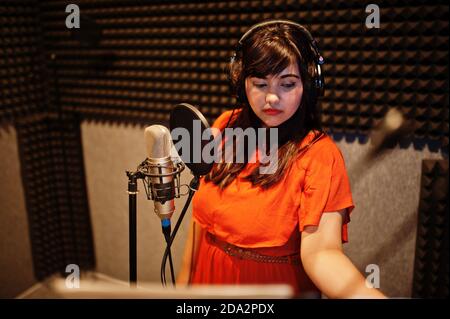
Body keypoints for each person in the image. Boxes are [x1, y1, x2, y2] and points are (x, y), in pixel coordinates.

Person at [177, 20, 385, 299]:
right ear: (242, 85)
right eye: (260, 84)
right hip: (207, 284)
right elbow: (199, 227)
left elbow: (323, 253)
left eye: (287, 84)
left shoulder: (320, 155)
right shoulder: (226, 125)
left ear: (309, 87)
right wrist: (182, 292)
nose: (272, 97)